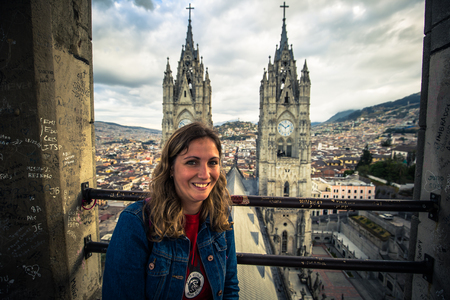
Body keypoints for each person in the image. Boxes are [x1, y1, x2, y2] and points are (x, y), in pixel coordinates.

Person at [102, 122, 239, 299]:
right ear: (171, 168)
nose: (205, 174)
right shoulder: (135, 223)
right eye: (192, 162)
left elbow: (229, 287)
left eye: (213, 162)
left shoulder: (220, 216)